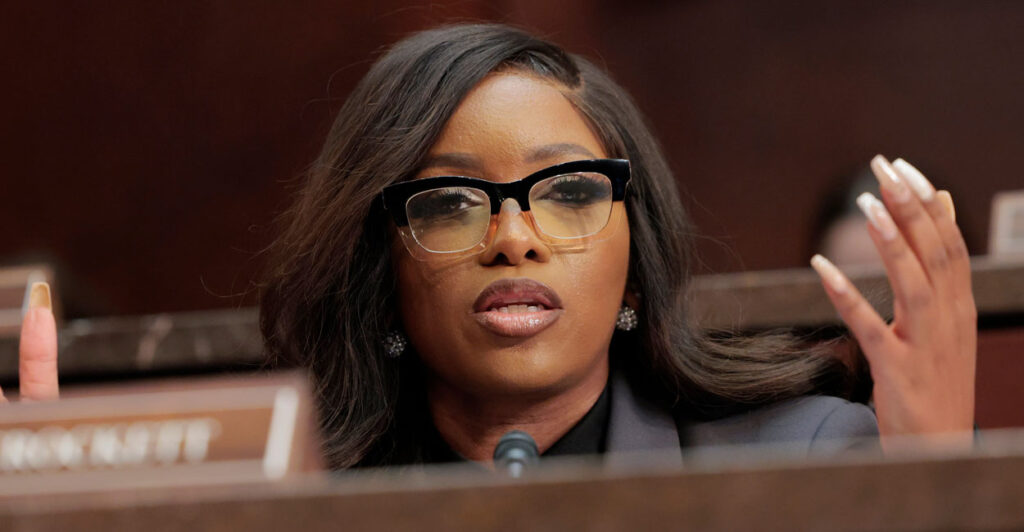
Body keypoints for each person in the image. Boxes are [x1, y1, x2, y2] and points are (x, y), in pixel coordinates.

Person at [8, 24, 976, 470]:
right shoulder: (276, 497)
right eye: (450, 204)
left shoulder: (811, 463)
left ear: (634, 261)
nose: (513, 238)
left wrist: (941, 491)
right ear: (378, 264)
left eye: (565, 193)